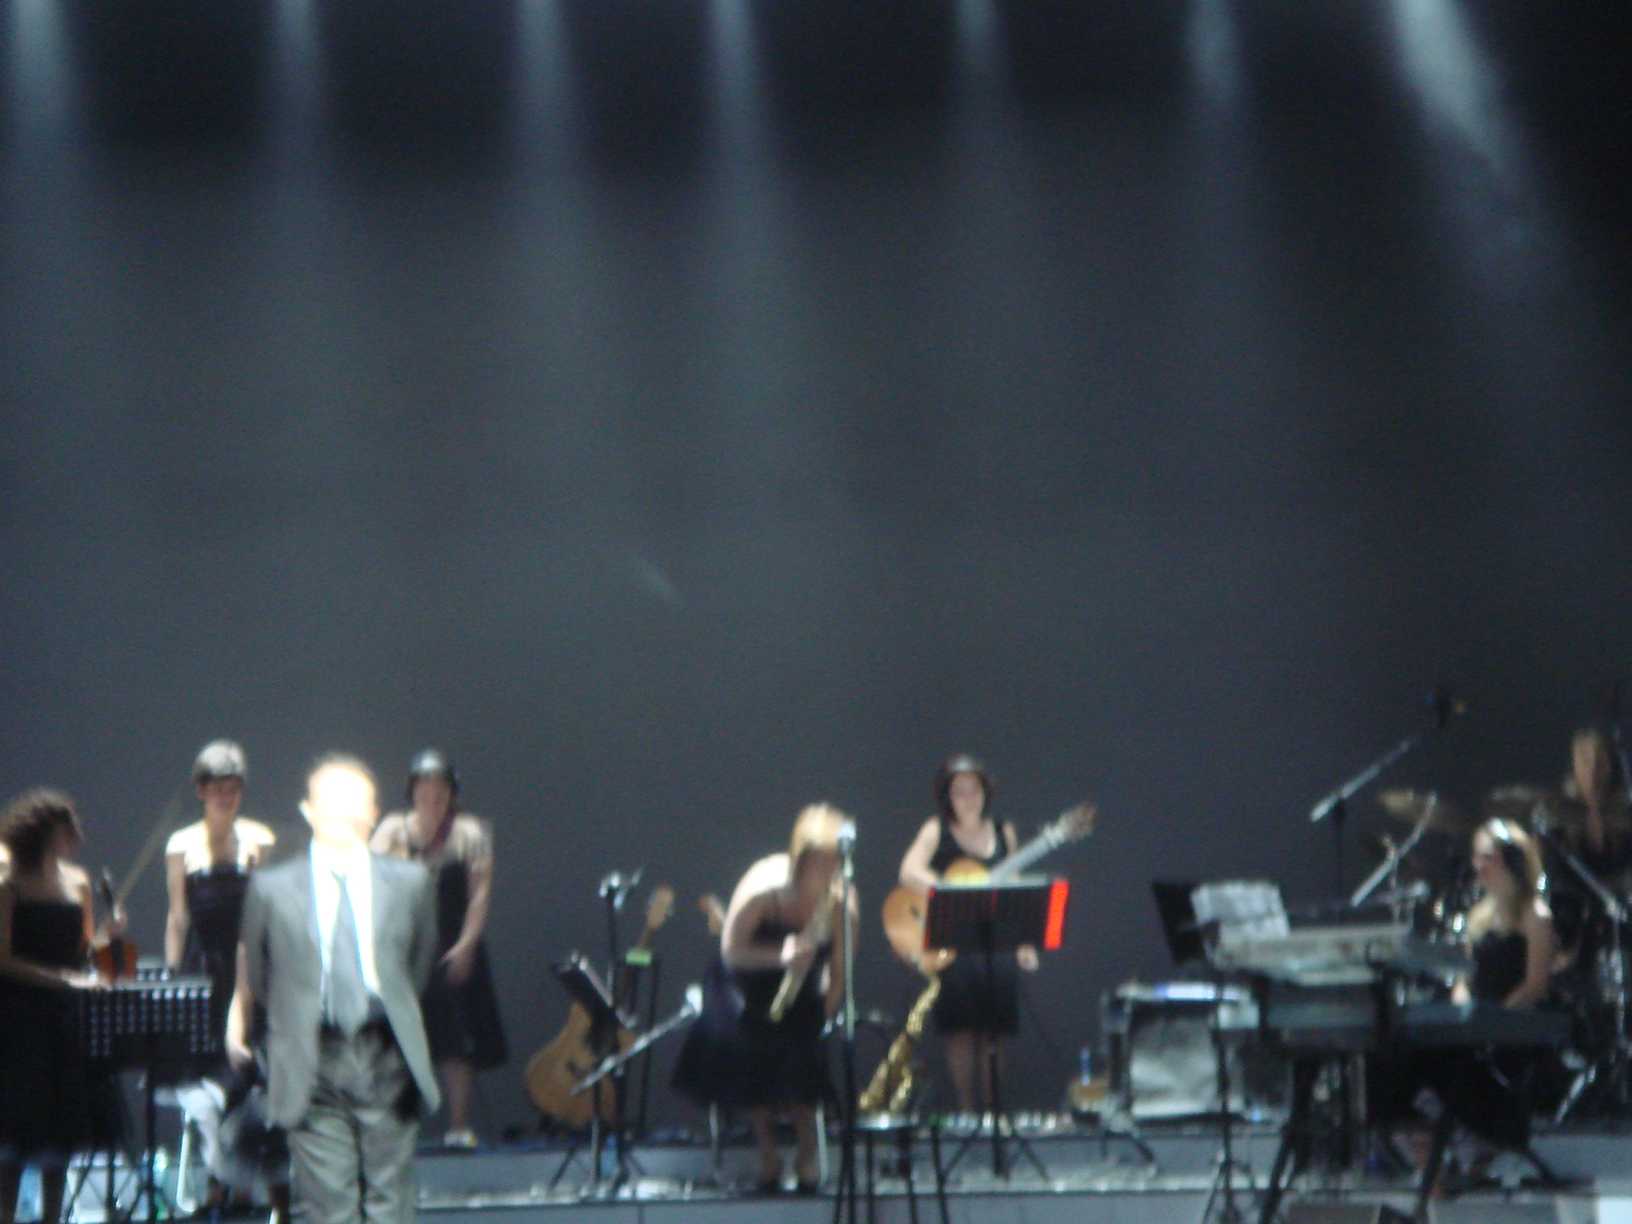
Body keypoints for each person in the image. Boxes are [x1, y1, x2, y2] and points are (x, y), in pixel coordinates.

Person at [236, 754, 440, 1224]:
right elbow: (263, 977)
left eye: (355, 802)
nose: (344, 813)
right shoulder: (270, 888)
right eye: (331, 801)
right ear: (308, 810)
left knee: (392, 1206)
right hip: (312, 1057)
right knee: (328, 1209)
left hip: (388, 1055)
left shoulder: (411, 883)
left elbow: (417, 966)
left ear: (374, 813)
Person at [672, 803, 857, 1194]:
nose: (829, 871)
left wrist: (822, 1018)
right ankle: (768, 1152)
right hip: (746, 979)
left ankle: (807, 1150)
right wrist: (780, 956)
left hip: (802, 985)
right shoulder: (764, 888)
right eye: (821, 862)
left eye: (834, 862)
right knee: (751, 1043)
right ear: (801, 860)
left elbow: (840, 974)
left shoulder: (843, 903)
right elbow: (731, 951)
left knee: (803, 1051)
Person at [161, 740, 285, 1215]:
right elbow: (178, 916)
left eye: (233, 789)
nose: (225, 797)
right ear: (201, 790)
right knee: (204, 1080)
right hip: (202, 969)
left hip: (248, 965)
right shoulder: (181, 844)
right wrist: (173, 979)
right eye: (217, 789)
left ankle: (248, 1186)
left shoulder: (258, 839)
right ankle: (217, 1182)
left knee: (246, 1074)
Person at [370, 750, 507, 1149]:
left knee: (457, 1042)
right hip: (406, 948)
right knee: (397, 1040)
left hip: (452, 945)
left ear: (451, 793)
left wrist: (466, 945)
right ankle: (396, 1128)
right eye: (425, 788)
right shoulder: (394, 829)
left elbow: (479, 897)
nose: (432, 796)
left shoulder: (470, 833)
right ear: (412, 791)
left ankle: (458, 1125)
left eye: (440, 789)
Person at [0, 789, 123, 1224]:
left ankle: (54, 1218)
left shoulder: (78, 882)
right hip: (19, 1020)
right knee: (15, 1135)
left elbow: (83, 951)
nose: (77, 835)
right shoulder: (10, 884)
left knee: (59, 1135)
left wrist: (108, 935)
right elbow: (3, 958)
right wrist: (62, 979)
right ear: (44, 832)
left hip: (64, 1021)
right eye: (68, 828)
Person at [896, 754, 1037, 1113]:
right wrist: (951, 889)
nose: (967, 798)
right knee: (961, 1030)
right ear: (948, 796)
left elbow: (1015, 885)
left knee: (995, 1031)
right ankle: (966, 1108)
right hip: (955, 943)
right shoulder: (936, 830)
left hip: (997, 941)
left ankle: (993, 1109)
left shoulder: (1003, 831)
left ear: (985, 792)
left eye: (973, 790)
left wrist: (1024, 941)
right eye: (959, 792)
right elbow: (909, 870)